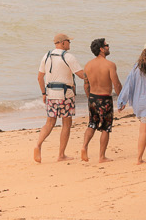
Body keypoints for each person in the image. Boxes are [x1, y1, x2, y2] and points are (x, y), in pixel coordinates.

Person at [34, 34, 83, 162]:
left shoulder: (46, 56)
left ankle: (38, 145)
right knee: (66, 124)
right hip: (65, 95)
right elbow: (82, 75)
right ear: (62, 43)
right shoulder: (69, 57)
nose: (69, 44)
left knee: (50, 122)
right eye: (68, 42)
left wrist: (44, 94)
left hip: (51, 94)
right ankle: (61, 155)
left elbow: (40, 78)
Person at [115, 45, 146, 165]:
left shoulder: (136, 68)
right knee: (144, 131)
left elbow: (128, 85)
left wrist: (122, 101)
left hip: (137, 103)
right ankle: (139, 158)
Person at [79, 38, 122, 164]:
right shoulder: (110, 65)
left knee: (92, 124)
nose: (108, 47)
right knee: (105, 128)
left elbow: (86, 85)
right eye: (106, 45)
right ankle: (102, 156)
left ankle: (84, 146)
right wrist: (121, 99)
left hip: (93, 97)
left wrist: (89, 98)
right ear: (101, 49)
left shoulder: (88, 65)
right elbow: (117, 84)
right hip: (105, 99)